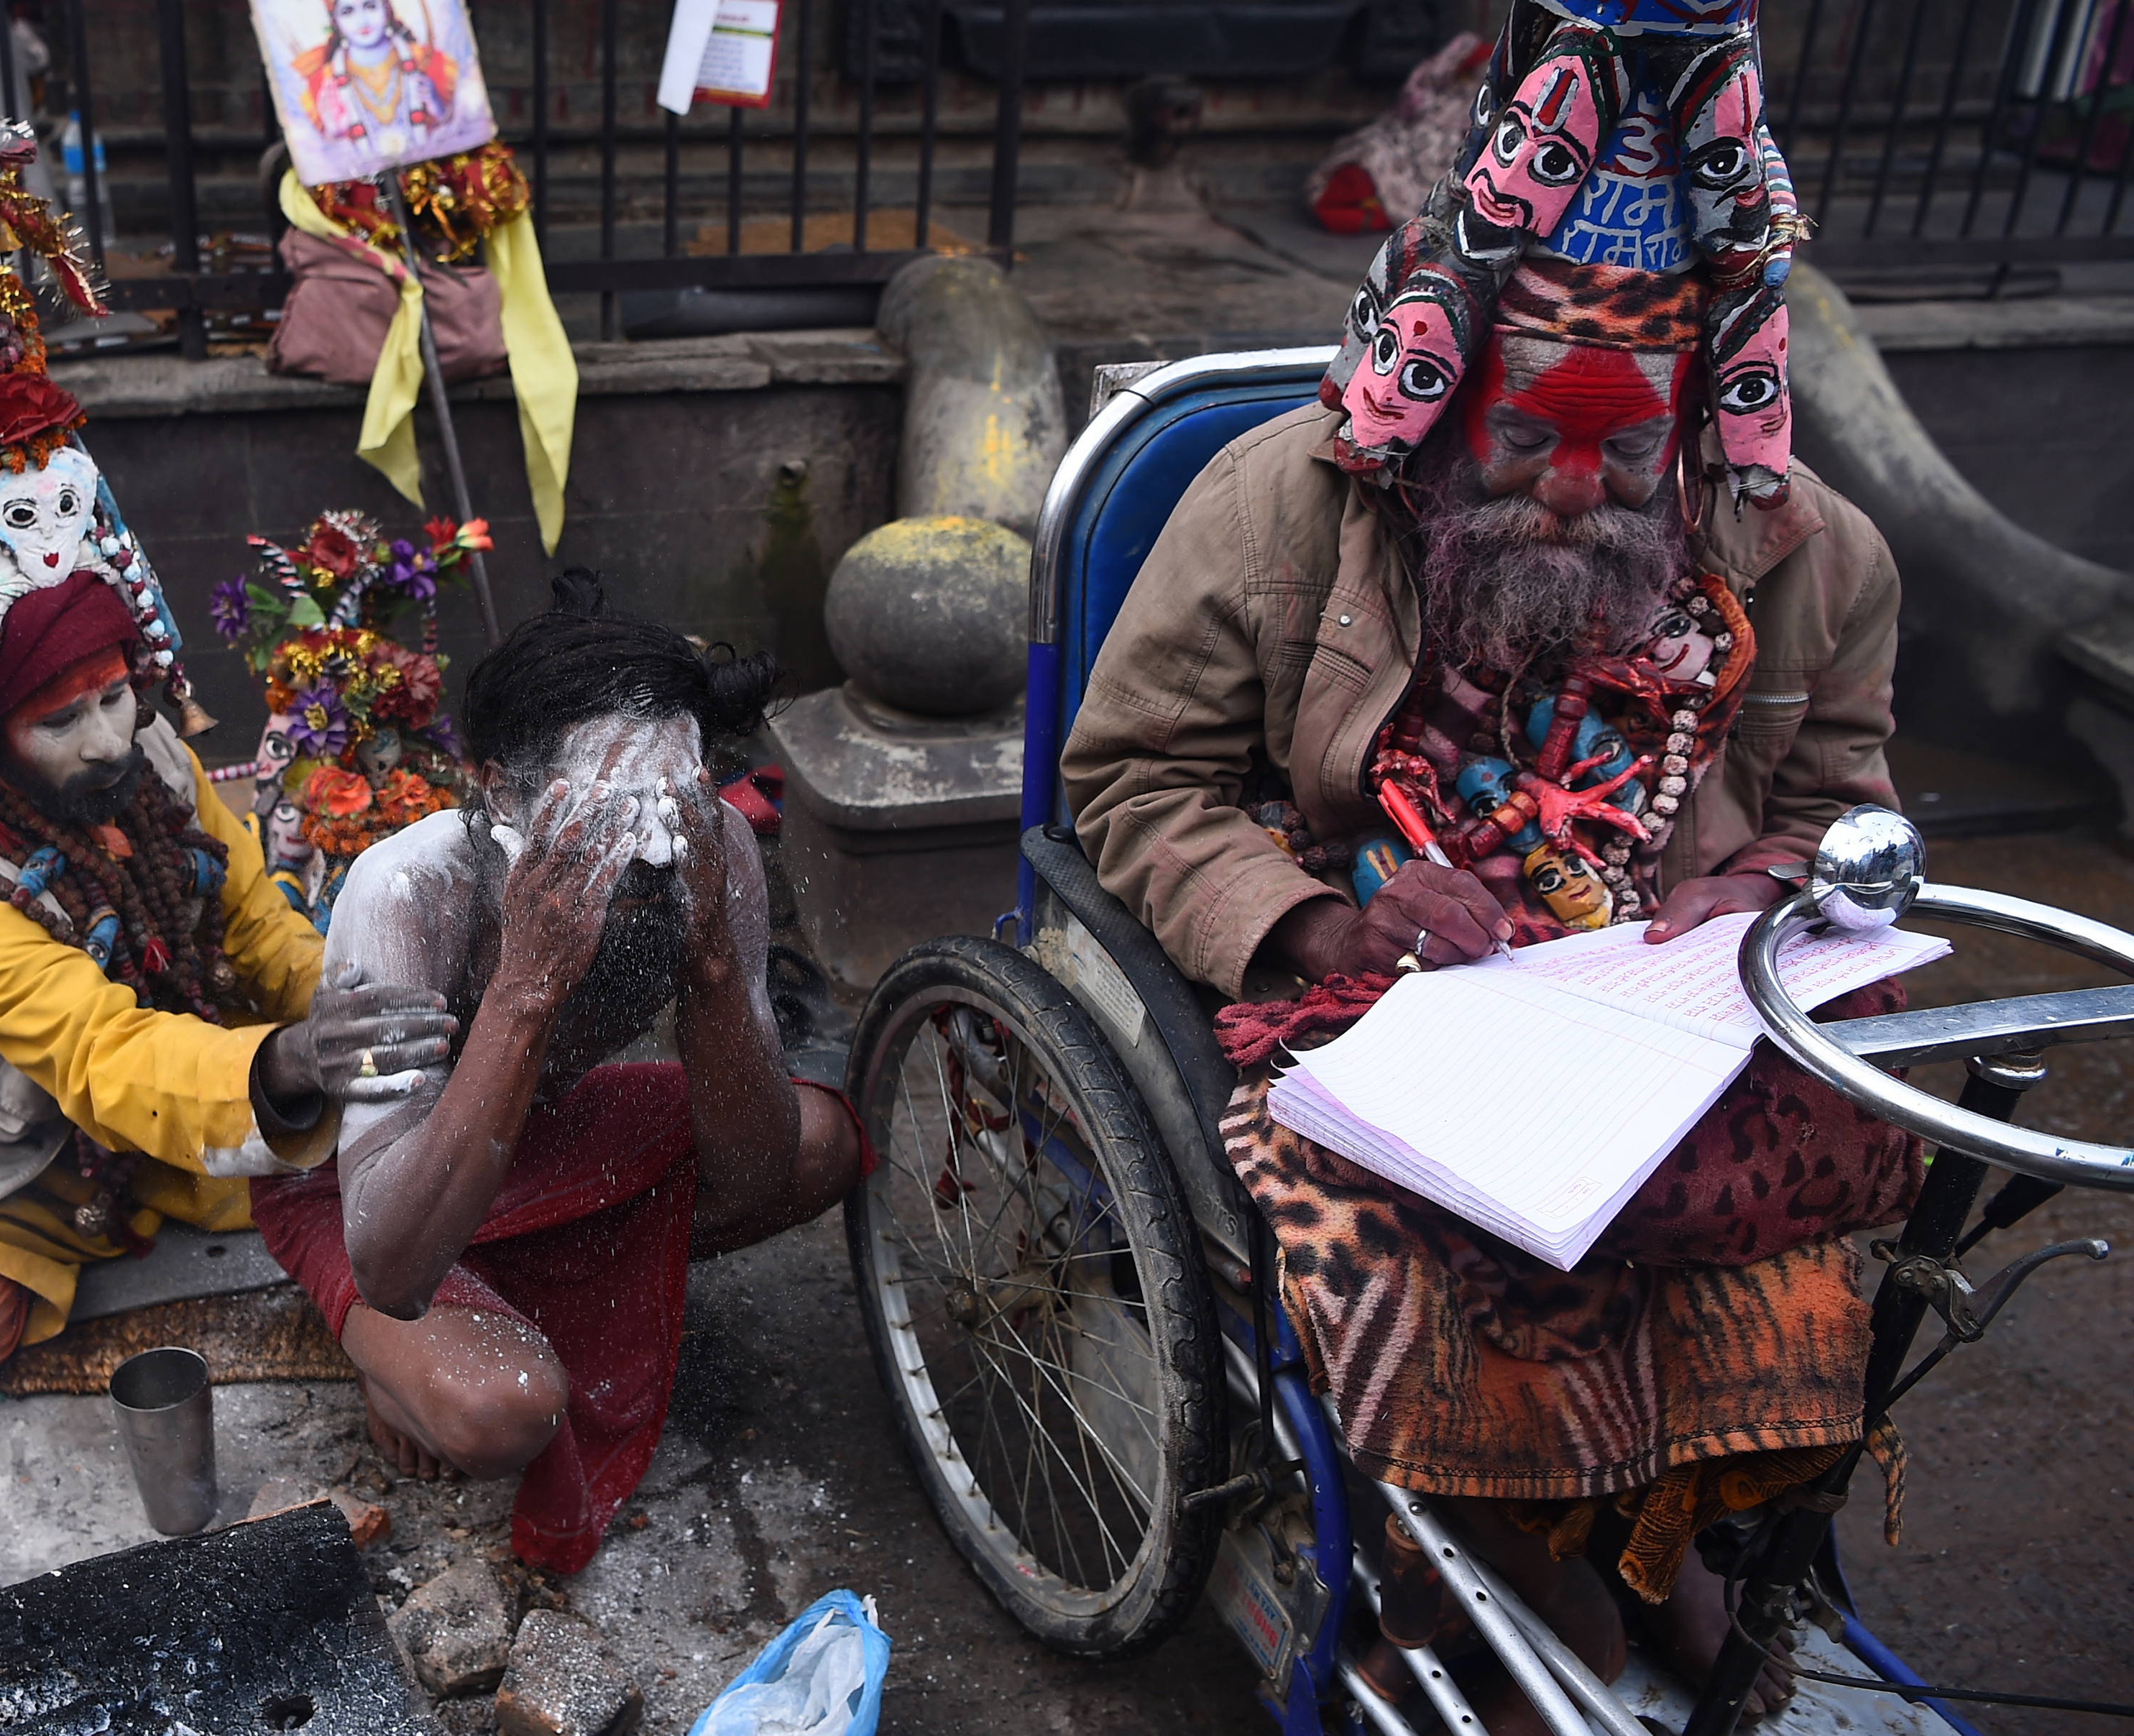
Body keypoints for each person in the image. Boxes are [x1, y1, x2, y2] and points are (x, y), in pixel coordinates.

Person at [1061, 43, 1911, 1732]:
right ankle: (1513, 1577)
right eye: (1524, 436)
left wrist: (1762, 882)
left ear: (1698, 420)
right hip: (1368, 992)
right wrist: (1320, 918)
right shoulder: (1279, 505)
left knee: (1819, 1206)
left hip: (1657, 1011)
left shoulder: (1813, 554)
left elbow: (1843, 809)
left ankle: (1669, 1545)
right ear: (1445, 395)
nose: (1574, 494)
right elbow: (1134, 781)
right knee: (1434, 1246)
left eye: (1629, 450)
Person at [249, 576, 864, 1575]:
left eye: (676, 799)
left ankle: (508, 1297)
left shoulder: (708, 855)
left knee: (822, 1140)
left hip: (535, 1149)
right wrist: (528, 984)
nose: (651, 849)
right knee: (503, 1407)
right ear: (501, 792)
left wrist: (711, 957)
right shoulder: (408, 891)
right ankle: (396, 1349)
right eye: (609, 812)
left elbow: (755, 1172)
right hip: (368, 1190)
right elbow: (391, 1264)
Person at [0, 574, 449, 1381]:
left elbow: (257, 924)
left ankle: (187, 1168)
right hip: (27, 1158)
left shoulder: (153, 757)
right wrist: (292, 1059)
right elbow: (102, 1053)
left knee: (404, 1156)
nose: (106, 743)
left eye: (115, 697)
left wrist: (351, 1006)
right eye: (60, 720)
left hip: (186, 1075)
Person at [298, 0, 457, 158]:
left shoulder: (430, 63)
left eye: (371, 6)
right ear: (335, 21)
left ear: (387, 9)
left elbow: (459, 135)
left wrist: (439, 110)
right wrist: (335, 133)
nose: (362, 21)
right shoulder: (322, 86)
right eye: (348, 12)